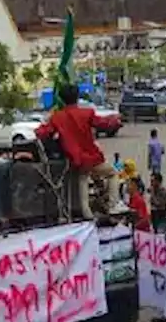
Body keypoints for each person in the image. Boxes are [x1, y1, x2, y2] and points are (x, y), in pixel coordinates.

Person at [36, 84, 119, 220]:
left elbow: (44, 132)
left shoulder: (58, 117)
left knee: (83, 178)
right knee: (113, 174)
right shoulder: (87, 113)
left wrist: (41, 126)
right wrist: (114, 119)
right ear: (77, 97)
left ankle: (87, 214)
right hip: (91, 156)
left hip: (75, 159)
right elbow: (103, 123)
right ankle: (113, 205)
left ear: (62, 99)